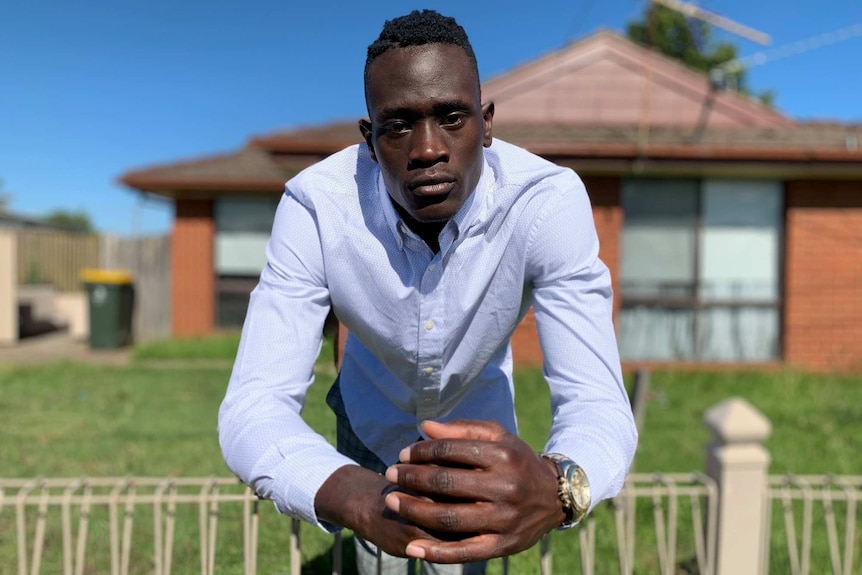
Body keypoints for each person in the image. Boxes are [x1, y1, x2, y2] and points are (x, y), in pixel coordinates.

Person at [218, 9, 637, 575]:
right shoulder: (316, 207)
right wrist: (362, 501)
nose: (427, 149)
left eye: (451, 118)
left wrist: (560, 485)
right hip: (368, 418)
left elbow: (598, 403)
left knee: (462, 568)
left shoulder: (546, 203)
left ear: (486, 124)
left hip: (476, 423)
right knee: (376, 568)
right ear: (368, 139)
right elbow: (253, 407)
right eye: (397, 125)